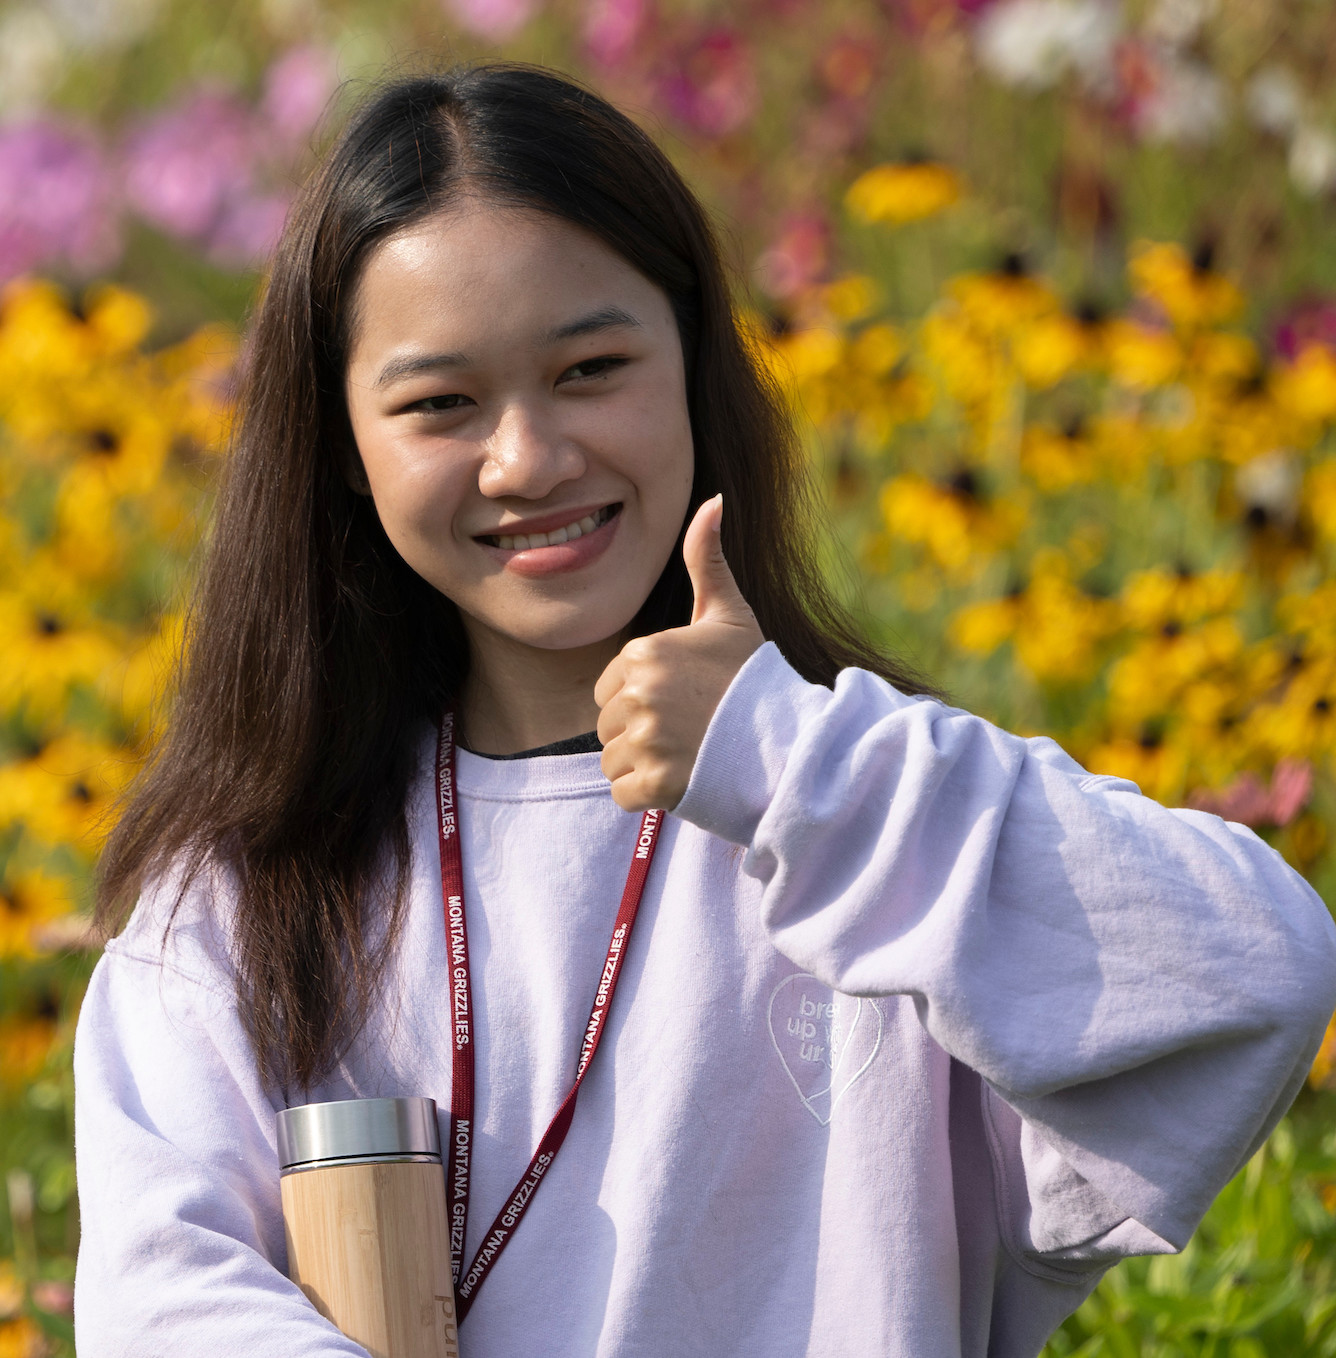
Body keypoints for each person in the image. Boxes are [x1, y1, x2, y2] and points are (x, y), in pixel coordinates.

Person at [70, 63, 1336, 1356]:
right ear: (342, 440)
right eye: (440, 402)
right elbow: (161, 1301)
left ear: (695, 361)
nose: (528, 457)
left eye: (590, 367)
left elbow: (1253, 973)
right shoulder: (244, 899)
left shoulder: (866, 816)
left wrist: (790, 762)